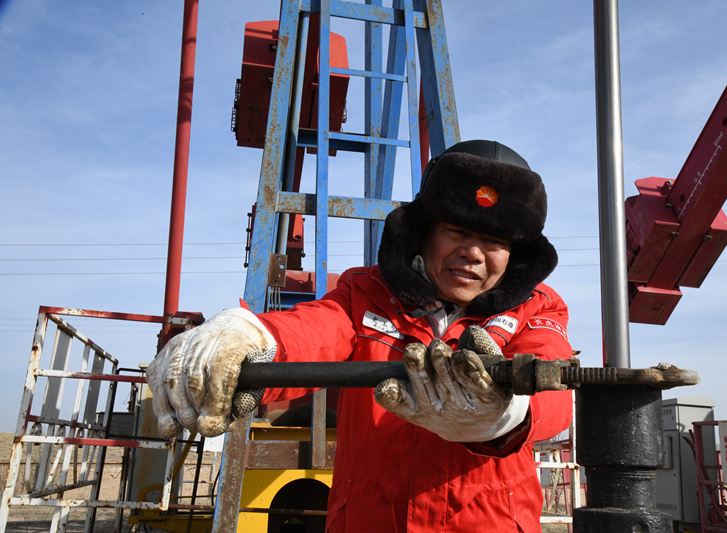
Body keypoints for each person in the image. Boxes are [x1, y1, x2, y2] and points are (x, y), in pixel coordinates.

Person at [146, 140, 574, 532]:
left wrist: (504, 416)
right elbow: (313, 331)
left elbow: (552, 382)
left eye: (493, 240)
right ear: (424, 232)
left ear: (514, 253)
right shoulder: (366, 293)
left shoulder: (538, 307)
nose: (473, 253)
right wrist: (252, 336)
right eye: (457, 231)